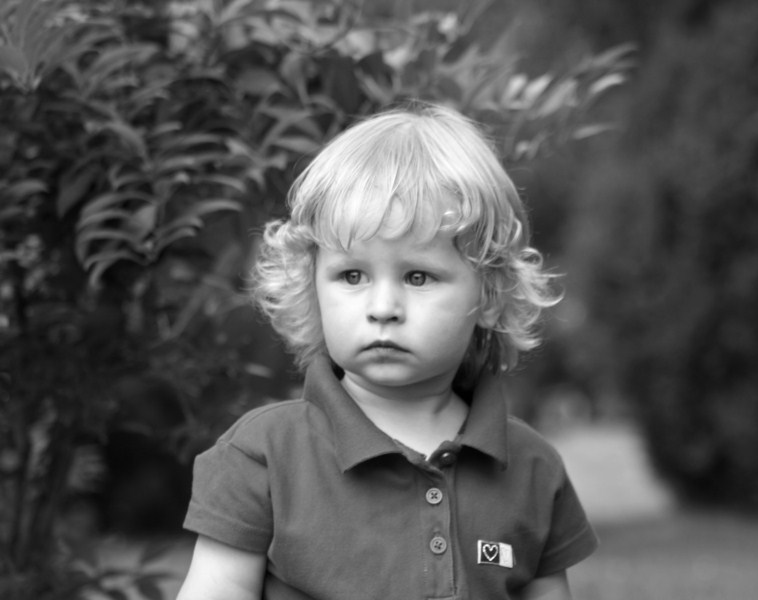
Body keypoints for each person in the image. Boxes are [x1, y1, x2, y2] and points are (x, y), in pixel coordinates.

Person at [176, 101, 598, 600]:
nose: (382, 308)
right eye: (352, 275)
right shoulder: (263, 456)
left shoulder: (532, 468)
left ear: (488, 294)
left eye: (417, 277)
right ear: (312, 285)